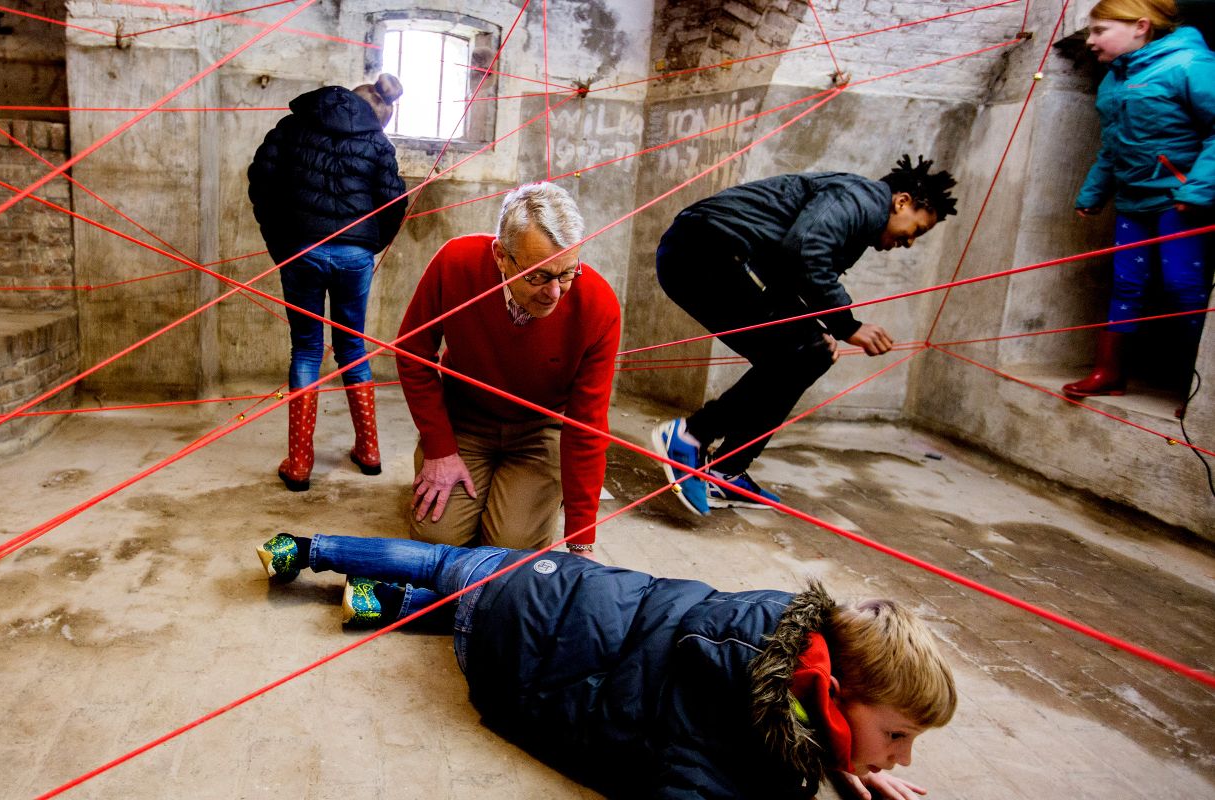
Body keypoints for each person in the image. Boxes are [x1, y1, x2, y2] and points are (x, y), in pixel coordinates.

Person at [255, 532, 958, 800]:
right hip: (513, 635)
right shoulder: (731, 729)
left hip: (548, 587)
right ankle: (353, 575)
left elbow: (794, 709)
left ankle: (323, 557)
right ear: (836, 693)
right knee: (453, 578)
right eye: (895, 735)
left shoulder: (780, 622)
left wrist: (841, 759)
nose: (898, 758)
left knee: (450, 570)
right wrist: (835, 761)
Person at [652, 158, 957, 516]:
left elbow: (795, 272)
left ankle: (727, 469)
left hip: (716, 257)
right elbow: (805, 249)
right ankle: (689, 436)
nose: (909, 242)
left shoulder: (860, 217)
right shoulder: (861, 199)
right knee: (803, 347)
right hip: (705, 251)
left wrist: (824, 332)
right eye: (917, 230)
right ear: (902, 202)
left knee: (813, 351)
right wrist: (848, 327)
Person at [396, 183, 622, 555]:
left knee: (508, 550)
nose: (554, 293)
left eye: (567, 272)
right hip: (465, 420)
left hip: (538, 431)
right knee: (438, 541)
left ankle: (525, 496)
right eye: (538, 276)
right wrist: (439, 449)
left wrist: (581, 539)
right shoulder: (457, 263)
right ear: (501, 255)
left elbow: (587, 425)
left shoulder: (597, 305)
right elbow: (412, 352)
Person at [248, 73, 408, 492]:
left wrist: (281, 242)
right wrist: (368, 245)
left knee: (306, 348)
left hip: (301, 249)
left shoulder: (294, 125)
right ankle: (369, 452)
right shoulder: (377, 142)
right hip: (354, 255)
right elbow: (394, 201)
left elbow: (261, 179)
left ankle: (300, 463)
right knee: (352, 345)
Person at [1068, 0, 1214, 414]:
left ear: (1141, 27)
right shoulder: (1114, 79)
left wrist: (1197, 191)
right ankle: (1109, 372)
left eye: (1100, 31)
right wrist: (1092, 194)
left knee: (1183, 288)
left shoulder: (1192, 64)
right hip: (1134, 201)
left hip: (1181, 202)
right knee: (1126, 286)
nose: (1091, 41)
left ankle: (1198, 393)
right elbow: (1112, 146)